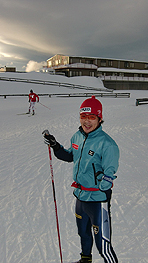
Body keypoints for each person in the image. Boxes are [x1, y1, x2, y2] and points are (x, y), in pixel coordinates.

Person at [43, 95, 119, 263]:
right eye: (83, 117)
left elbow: (109, 172)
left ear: (100, 119)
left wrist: (102, 183)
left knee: (103, 245)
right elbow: (70, 156)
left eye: (91, 117)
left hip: (97, 201)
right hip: (80, 197)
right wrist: (55, 146)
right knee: (83, 233)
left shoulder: (107, 144)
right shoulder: (77, 137)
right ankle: (85, 260)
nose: (87, 121)